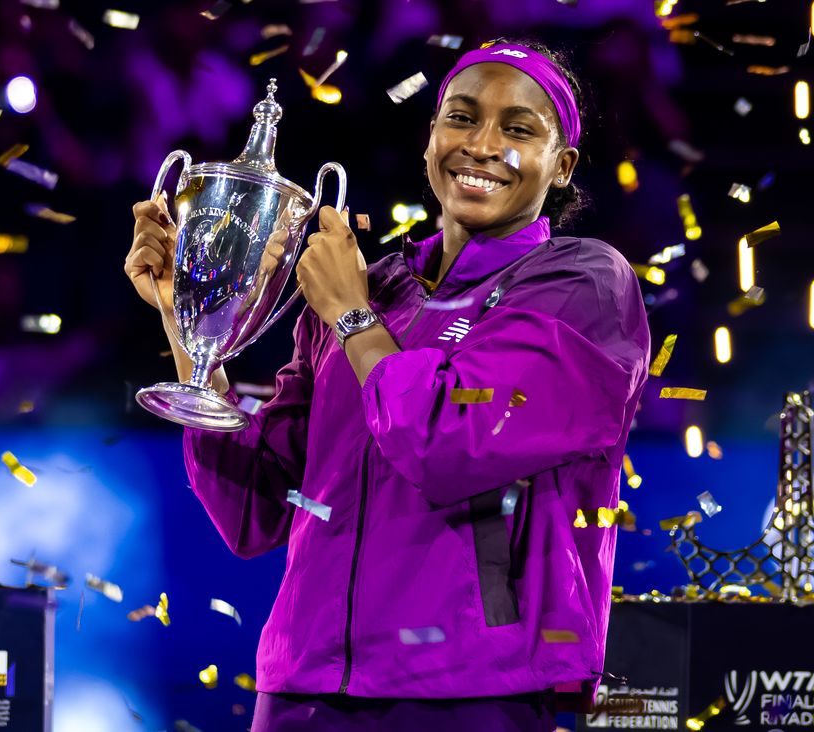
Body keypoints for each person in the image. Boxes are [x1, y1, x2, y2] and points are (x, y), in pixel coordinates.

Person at [126, 39, 650, 732]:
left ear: (562, 166)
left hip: (471, 691)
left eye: (519, 129)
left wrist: (350, 316)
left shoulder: (579, 285)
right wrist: (190, 324)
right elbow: (258, 509)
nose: (483, 144)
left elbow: (451, 443)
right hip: (303, 690)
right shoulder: (378, 288)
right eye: (461, 118)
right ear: (430, 138)